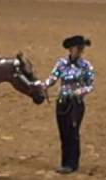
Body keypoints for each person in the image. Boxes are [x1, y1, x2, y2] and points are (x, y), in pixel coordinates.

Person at [39, 35, 95, 174]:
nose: (80, 51)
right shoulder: (61, 63)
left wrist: (81, 91)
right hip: (62, 102)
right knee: (64, 133)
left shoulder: (86, 66)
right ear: (71, 49)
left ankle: (72, 163)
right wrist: (44, 85)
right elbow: (53, 77)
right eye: (78, 48)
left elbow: (90, 85)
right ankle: (65, 162)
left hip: (76, 103)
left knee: (73, 132)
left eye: (81, 49)